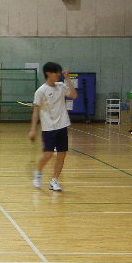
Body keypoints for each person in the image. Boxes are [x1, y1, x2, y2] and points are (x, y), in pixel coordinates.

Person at [28, 61, 78, 192]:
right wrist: (33, 129)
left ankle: (54, 180)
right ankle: (38, 173)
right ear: (48, 73)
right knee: (48, 154)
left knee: (62, 155)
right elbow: (36, 112)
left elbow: (74, 95)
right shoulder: (41, 91)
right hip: (49, 128)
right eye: (56, 72)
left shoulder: (61, 86)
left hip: (63, 125)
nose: (58, 75)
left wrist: (67, 79)